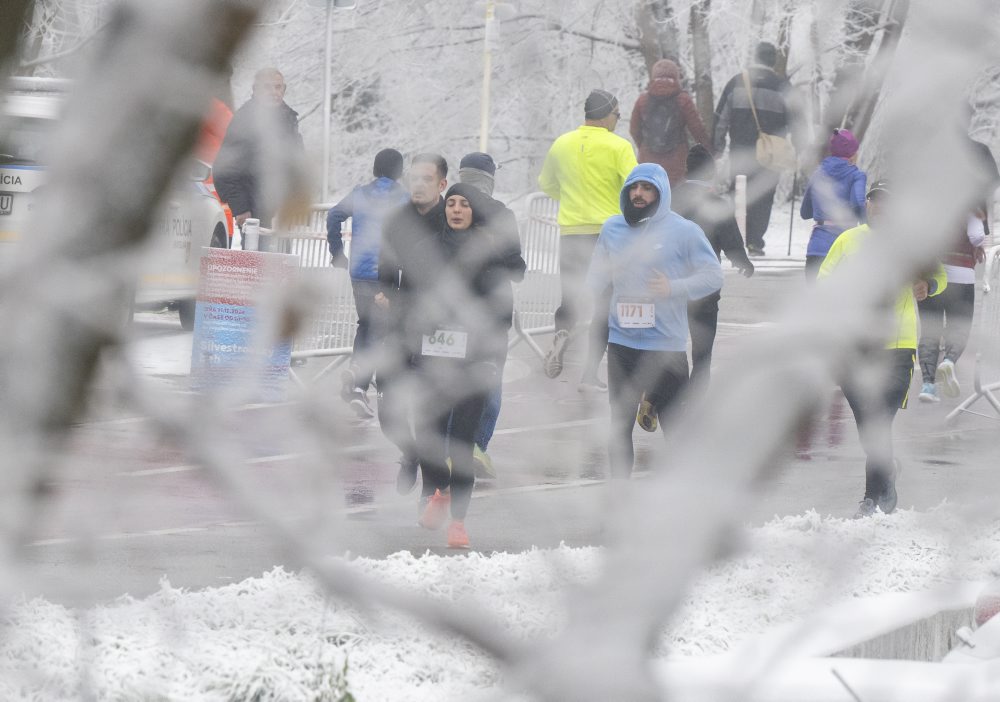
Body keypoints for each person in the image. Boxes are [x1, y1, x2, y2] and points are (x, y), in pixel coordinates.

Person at [384, 183, 519, 548]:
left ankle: (458, 522)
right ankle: (440, 491)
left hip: (471, 362)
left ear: (475, 212)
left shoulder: (487, 256)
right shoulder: (425, 250)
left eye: (465, 205)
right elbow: (407, 301)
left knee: (460, 443)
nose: (456, 210)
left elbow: (502, 312)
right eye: (452, 204)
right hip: (430, 357)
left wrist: (492, 360)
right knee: (427, 436)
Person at [818, 180, 947, 518]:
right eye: (876, 201)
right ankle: (886, 469)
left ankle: (872, 499)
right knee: (868, 426)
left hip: (897, 346)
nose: (881, 207)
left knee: (878, 423)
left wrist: (927, 284)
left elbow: (941, 276)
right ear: (868, 204)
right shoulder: (849, 240)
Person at [587, 162, 723, 478]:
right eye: (634, 187)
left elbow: (713, 275)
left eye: (647, 188)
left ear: (660, 193)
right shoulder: (612, 228)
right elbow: (595, 275)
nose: (638, 193)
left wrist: (674, 288)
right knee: (619, 425)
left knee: (674, 428)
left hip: (665, 348)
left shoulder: (684, 231)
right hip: (622, 344)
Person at [538, 89, 638, 391]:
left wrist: (567, 198)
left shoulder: (562, 143)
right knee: (603, 306)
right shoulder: (619, 146)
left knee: (569, 298)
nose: (618, 121)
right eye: (617, 115)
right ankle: (589, 375)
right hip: (607, 235)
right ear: (607, 114)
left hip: (570, 232)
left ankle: (562, 332)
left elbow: (546, 184)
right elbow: (635, 188)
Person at [377, 154, 449, 495]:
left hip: (439, 327)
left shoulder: (452, 218)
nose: (418, 185)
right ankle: (409, 452)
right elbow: (386, 268)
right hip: (401, 322)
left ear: (441, 184)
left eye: (426, 179)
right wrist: (386, 294)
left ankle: (431, 489)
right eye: (414, 179)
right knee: (388, 406)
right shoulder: (397, 220)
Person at [457, 152, 527, 478]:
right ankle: (476, 447)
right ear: (489, 180)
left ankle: (448, 448)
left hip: (450, 311)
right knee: (490, 385)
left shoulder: (446, 209)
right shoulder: (502, 215)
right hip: (491, 310)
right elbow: (515, 264)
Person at [917, 131, 999, 402]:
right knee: (959, 325)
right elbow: (976, 236)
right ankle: (949, 361)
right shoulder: (969, 200)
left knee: (929, 328)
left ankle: (927, 385)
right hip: (961, 271)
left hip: (929, 270)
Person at [327, 149, 408, 418]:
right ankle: (362, 384)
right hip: (388, 274)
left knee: (367, 325)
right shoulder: (404, 199)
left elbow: (333, 216)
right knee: (382, 329)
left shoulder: (360, 194)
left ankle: (357, 380)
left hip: (360, 272)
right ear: (400, 171)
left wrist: (337, 252)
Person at [671, 144, 754, 392]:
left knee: (670, 340)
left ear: (686, 171)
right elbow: (731, 240)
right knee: (702, 347)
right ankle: (696, 394)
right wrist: (742, 262)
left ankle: (670, 389)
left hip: (672, 282)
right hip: (703, 286)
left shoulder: (671, 199)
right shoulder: (717, 204)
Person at [713, 42, 795, 257]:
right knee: (763, 194)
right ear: (773, 61)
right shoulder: (784, 87)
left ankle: (733, 239)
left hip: (740, 151)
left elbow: (721, 118)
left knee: (737, 194)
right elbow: (798, 122)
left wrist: (717, 146)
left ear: (755, 57)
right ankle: (754, 242)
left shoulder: (736, 83)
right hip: (770, 154)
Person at [213, 67, 304, 242]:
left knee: (281, 266)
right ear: (256, 90)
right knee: (258, 266)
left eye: (278, 87)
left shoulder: (289, 118)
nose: (274, 92)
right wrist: (241, 208)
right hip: (254, 213)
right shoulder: (244, 120)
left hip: (282, 212)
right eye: (267, 87)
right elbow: (224, 170)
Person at [629, 58, 712, 187]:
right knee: (674, 201)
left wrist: (644, 146)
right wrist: (709, 151)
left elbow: (634, 130)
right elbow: (698, 130)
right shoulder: (683, 100)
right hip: (676, 163)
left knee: (651, 199)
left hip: (648, 163)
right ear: (676, 76)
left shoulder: (642, 100)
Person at [800, 129, 867, 280]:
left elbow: (805, 212)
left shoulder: (818, 174)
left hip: (816, 250)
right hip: (844, 251)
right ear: (853, 154)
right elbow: (858, 203)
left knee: (815, 301)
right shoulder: (856, 175)